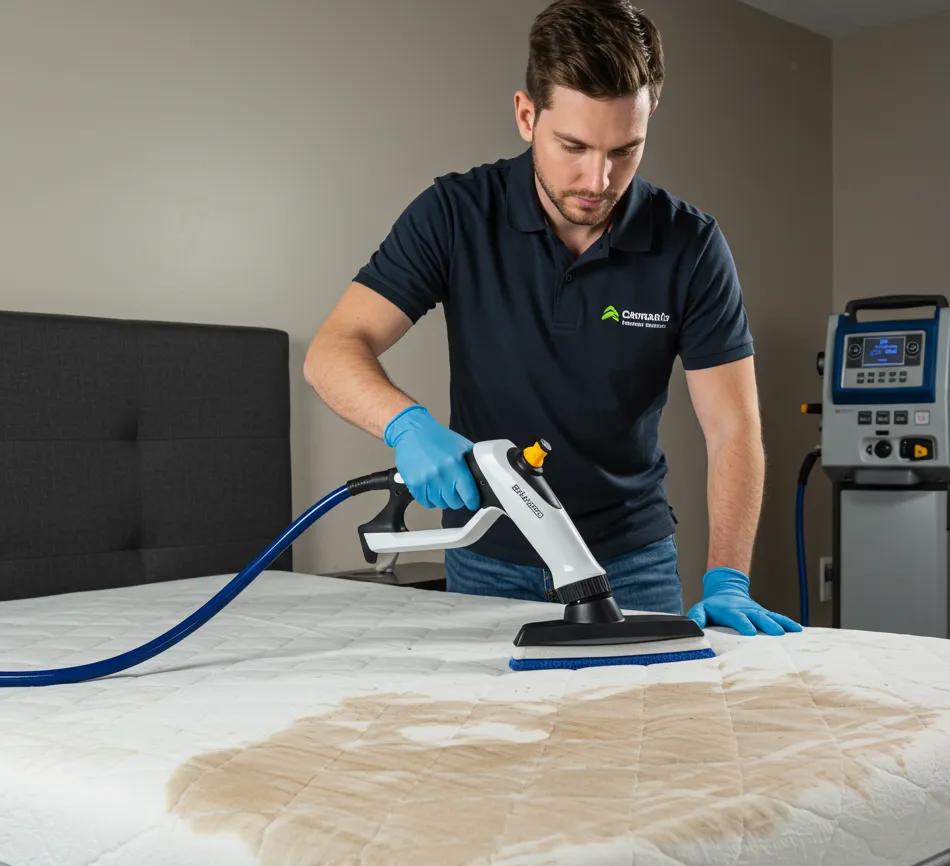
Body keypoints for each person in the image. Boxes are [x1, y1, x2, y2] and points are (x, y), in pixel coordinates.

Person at [304, 0, 800, 638]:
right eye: (574, 146)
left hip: (632, 559)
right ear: (525, 115)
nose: (599, 178)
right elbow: (334, 350)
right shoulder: (456, 214)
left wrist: (728, 576)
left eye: (626, 150)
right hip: (490, 554)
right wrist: (406, 425)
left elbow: (733, 431)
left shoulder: (690, 244)